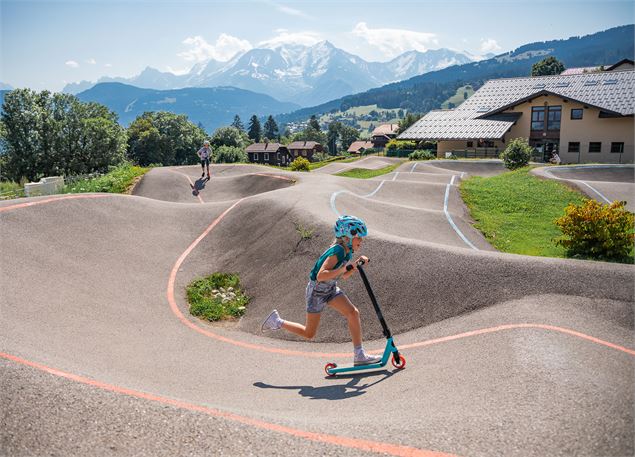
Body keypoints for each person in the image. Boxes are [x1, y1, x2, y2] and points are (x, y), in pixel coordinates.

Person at [262, 215, 382, 366]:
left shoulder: (347, 251)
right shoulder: (338, 250)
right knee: (309, 333)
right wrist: (343, 269)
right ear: (347, 238)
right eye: (359, 237)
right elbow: (320, 275)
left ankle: (359, 355)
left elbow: (344, 275)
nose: (362, 241)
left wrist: (356, 265)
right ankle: (277, 321)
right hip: (316, 292)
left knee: (353, 312)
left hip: (330, 289)